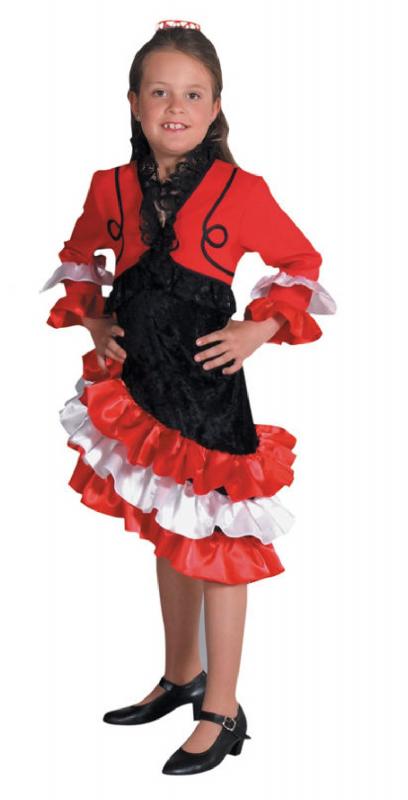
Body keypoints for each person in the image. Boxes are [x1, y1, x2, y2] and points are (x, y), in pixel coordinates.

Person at [40, 19, 337, 776]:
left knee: (219, 545)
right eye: (161, 92)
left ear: (216, 106)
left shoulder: (242, 191)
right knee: (171, 535)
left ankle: (223, 710)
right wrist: (95, 319)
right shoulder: (109, 186)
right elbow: (78, 256)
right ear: (134, 102)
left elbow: (301, 261)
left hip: (207, 392)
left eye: (193, 94)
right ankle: (182, 677)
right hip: (142, 388)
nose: (176, 106)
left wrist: (256, 330)